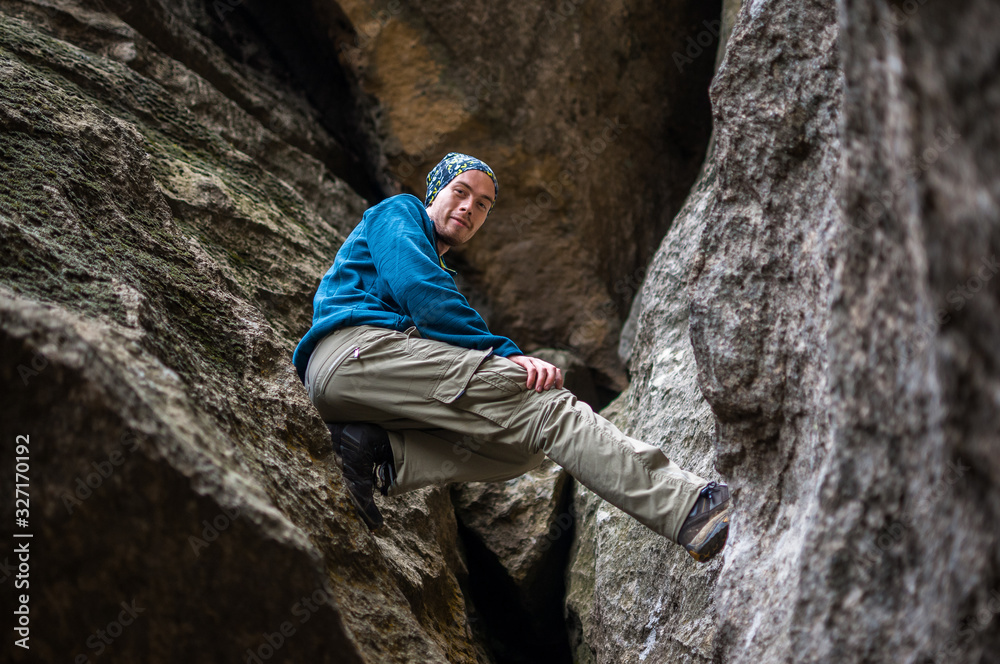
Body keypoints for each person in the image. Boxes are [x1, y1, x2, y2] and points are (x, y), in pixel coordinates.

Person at [293, 152, 730, 562]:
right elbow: (421, 293)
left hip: (361, 387)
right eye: (460, 191)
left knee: (522, 450)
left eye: (483, 205)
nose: (469, 208)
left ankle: (381, 452)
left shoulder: (436, 263)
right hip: (355, 353)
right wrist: (504, 355)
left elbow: (427, 294)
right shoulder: (399, 212)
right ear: (434, 193)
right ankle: (691, 506)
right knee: (546, 409)